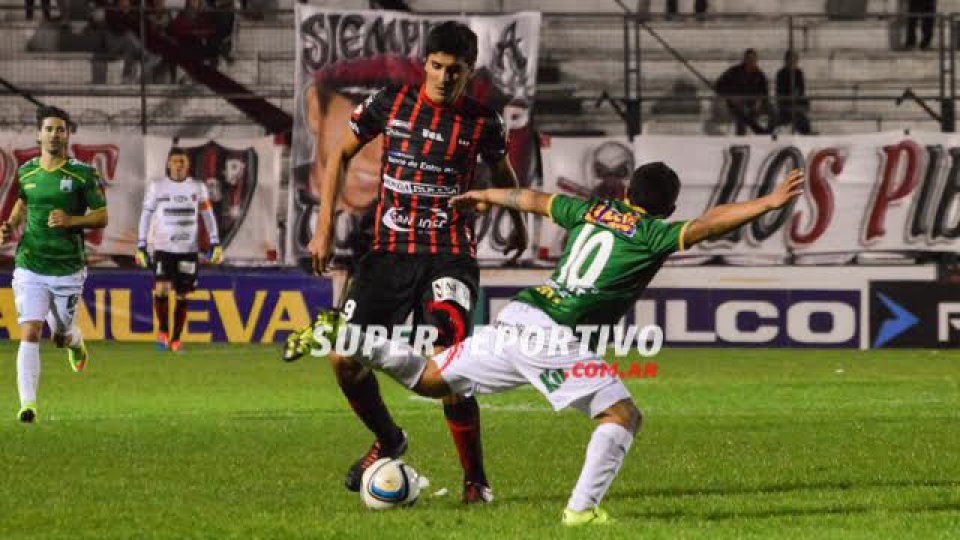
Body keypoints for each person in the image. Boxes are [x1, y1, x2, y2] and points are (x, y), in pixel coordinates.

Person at [311, 164, 804, 525]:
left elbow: (533, 199)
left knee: (433, 380)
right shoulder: (654, 233)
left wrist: (485, 193)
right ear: (668, 207)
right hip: (553, 335)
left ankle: (359, 341)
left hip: (520, 315)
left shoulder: (592, 209)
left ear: (628, 190)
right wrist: (767, 203)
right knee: (622, 416)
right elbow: (708, 224)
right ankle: (581, 513)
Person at [307, 21, 528, 503]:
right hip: (388, 255)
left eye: (456, 71)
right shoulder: (391, 103)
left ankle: (476, 482)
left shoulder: (484, 121)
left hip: (449, 256)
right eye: (437, 67)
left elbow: (502, 171)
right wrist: (323, 227)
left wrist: (516, 217)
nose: (444, 78)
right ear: (425, 63)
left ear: (470, 73)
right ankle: (389, 440)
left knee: (452, 363)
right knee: (344, 357)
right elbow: (338, 157)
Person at [0, 106, 109, 424]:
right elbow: (22, 203)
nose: (54, 134)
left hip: (67, 268)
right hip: (31, 264)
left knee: (59, 335)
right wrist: (8, 226)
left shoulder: (82, 174)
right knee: (30, 329)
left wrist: (71, 219)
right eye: (48, 129)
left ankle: (75, 342)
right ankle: (28, 405)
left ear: (68, 135)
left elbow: (102, 215)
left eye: (60, 129)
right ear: (38, 134)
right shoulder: (27, 171)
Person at [136, 147, 222, 353]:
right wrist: (141, 244)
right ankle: (163, 332)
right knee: (162, 289)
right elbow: (146, 215)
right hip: (163, 247)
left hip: (188, 249)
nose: (179, 165)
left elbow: (208, 216)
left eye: (182, 161)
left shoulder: (197, 187)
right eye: (175, 161)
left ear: (188, 164)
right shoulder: (157, 187)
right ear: (168, 164)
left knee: (183, 294)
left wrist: (215, 241)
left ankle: (176, 339)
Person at [716, 49, 772, 135]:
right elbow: (719, 85)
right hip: (737, 104)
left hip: (754, 105)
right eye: (749, 58)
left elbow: (765, 92)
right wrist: (731, 97)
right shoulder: (734, 72)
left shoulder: (760, 75)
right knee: (741, 114)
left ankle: (767, 132)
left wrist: (760, 102)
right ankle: (753, 135)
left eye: (753, 59)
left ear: (756, 60)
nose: (751, 61)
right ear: (744, 59)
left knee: (773, 110)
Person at [775, 50, 813, 135]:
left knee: (803, 106)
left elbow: (801, 89)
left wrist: (797, 94)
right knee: (797, 115)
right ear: (786, 61)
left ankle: (806, 131)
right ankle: (806, 132)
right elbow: (780, 91)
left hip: (796, 101)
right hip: (785, 102)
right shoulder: (781, 74)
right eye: (790, 60)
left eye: (794, 60)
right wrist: (791, 94)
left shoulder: (799, 73)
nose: (792, 62)